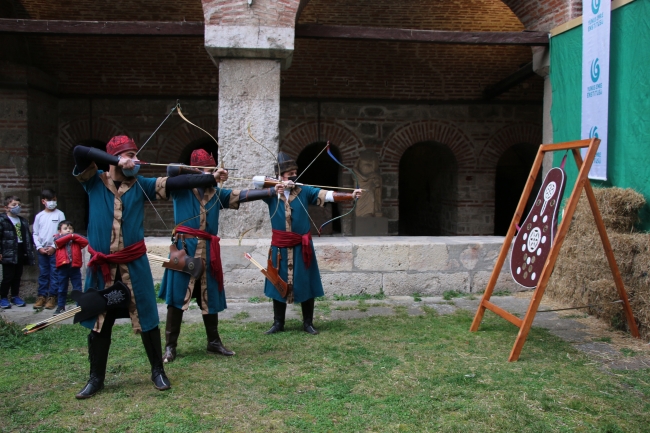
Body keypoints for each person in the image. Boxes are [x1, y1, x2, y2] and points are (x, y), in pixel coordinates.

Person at [72, 135, 229, 399]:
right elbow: (79, 149)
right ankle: (95, 378)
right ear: (115, 158)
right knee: (100, 322)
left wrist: (210, 177)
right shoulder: (93, 180)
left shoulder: (141, 184)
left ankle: (158, 371)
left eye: (135, 154)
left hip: (135, 266)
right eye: (129, 155)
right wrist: (116, 160)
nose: (135, 160)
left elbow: (177, 181)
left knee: (147, 319)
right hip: (103, 268)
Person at [159, 149, 277, 363]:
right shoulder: (180, 186)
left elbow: (240, 195)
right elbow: (171, 169)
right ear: (195, 170)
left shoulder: (215, 194)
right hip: (184, 248)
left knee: (209, 296)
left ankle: (213, 342)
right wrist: (205, 175)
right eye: (208, 170)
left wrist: (271, 192)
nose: (213, 174)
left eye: (214, 170)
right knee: (177, 298)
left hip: (207, 252)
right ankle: (170, 346)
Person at [260, 152, 362, 335]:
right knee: (278, 281)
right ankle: (278, 323)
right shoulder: (271, 192)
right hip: (280, 246)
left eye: (295, 172)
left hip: (301, 246)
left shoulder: (303, 190)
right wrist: (278, 186)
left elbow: (328, 194)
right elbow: (255, 181)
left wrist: (350, 196)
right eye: (289, 173)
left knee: (305, 281)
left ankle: (308, 323)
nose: (293, 176)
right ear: (279, 175)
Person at [0, 196, 36, 309]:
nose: (17, 207)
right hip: (8, 251)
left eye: (19, 205)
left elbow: (27, 236)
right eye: (14, 205)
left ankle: (15, 296)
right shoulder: (2, 220)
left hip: (20, 250)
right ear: (6, 207)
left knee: (17, 275)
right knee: (8, 276)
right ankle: (3, 297)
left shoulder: (23, 220)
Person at [32, 189, 66, 309]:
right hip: (42, 251)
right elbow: (35, 233)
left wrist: (54, 246)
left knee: (54, 274)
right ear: (43, 201)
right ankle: (41, 296)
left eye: (54, 200)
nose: (52, 202)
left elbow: (63, 233)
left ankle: (52, 297)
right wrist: (39, 247)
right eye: (50, 200)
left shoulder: (59, 214)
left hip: (55, 250)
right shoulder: (39, 216)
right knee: (43, 274)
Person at [53, 220, 88, 315]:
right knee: (62, 288)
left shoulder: (76, 240)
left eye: (70, 228)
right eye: (65, 228)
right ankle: (61, 306)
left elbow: (85, 241)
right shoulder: (57, 238)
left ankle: (79, 306)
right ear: (59, 231)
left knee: (77, 287)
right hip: (62, 267)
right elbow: (58, 242)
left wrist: (73, 236)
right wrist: (71, 236)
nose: (68, 230)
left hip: (75, 267)